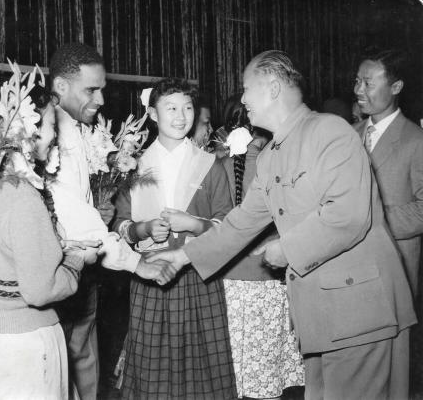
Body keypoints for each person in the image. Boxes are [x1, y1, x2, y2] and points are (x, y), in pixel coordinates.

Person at [148, 50, 416, 400]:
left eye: (246, 89)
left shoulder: (329, 131)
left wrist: (286, 249)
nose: (242, 100)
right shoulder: (273, 153)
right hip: (321, 315)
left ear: (273, 88)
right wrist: (183, 257)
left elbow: (349, 214)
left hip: (358, 311)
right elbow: (242, 221)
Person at [0, 80, 101, 400]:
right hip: (29, 344)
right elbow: (41, 289)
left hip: (0, 338)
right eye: (52, 126)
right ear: (29, 131)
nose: (55, 136)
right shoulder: (23, 195)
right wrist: (76, 259)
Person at [48, 43, 164, 400]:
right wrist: (134, 262)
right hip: (58, 267)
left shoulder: (79, 130)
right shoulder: (49, 134)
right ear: (61, 86)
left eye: (102, 89)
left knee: (83, 359)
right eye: (91, 90)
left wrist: (101, 209)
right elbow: (68, 211)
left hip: (85, 267)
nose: (100, 99)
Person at [113, 78, 237, 400]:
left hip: (199, 277)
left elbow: (228, 225)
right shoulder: (133, 165)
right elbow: (120, 224)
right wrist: (143, 229)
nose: (181, 116)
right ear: (153, 114)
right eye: (171, 108)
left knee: (203, 375)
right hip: (151, 275)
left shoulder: (211, 164)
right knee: (154, 373)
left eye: (188, 107)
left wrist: (194, 224)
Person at [220, 101, 304, 399]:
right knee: (265, 379)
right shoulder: (276, 165)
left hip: (228, 284)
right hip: (268, 282)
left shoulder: (217, 165)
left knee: (232, 376)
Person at [354, 49, 423, 297]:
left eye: (368, 83)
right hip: (350, 267)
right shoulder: (348, 134)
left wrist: (370, 222)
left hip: (394, 264)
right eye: (357, 81)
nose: (358, 90)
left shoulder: (416, 140)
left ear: (396, 87)